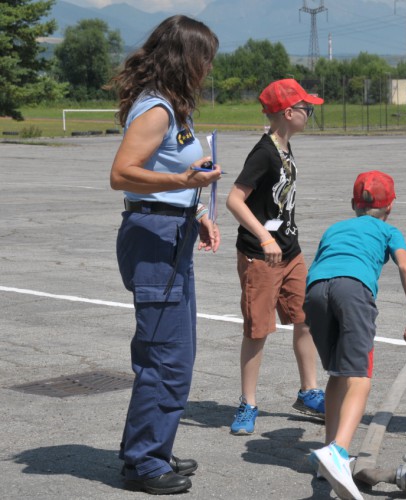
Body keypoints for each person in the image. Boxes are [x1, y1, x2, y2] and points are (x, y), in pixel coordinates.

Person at [108, 15, 221, 495]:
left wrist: (198, 210)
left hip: (172, 230)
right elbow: (121, 173)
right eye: (204, 58)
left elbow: (169, 173)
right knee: (165, 355)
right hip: (155, 236)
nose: (208, 68)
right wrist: (183, 180)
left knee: (176, 351)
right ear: (184, 58)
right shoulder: (156, 109)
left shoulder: (172, 107)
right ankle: (144, 463)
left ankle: (151, 445)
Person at [305, 171, 406, 500]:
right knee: (360, 375)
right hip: (353, 290)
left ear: (352, 204)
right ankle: (339, 452)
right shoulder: (389, 230)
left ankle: (328, 454)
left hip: (315, 291)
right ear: (391, 206)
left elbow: (321, 264)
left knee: (338, 373)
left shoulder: (334, 228)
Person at [226, 79, 326, 435]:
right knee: (258, 330)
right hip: (262, 256)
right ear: (288, 112)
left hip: (290, 251)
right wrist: (265, 238)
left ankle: (309, 391)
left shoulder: (284, 147)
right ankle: (248, 403)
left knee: (305, 317)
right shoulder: (264, 152)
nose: (309, 114)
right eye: (306, 109)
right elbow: (234, 200)